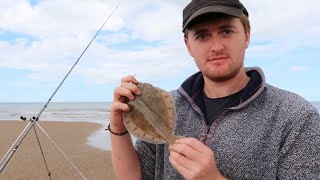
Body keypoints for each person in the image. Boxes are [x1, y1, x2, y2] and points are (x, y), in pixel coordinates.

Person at [109, 0, 320, 179]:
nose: (216, 47)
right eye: (202, 36)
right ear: (188, 45)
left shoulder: (295, 117)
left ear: (246, 35)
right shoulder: (168, 105)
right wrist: (119, 128)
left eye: (226, 31)